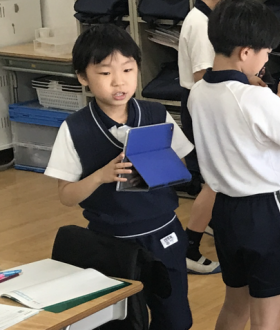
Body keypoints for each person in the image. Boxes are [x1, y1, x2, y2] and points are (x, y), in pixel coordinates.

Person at [188, 0, 280, 330]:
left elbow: (241, 129)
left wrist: (276, 105)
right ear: (245, 52)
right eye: (265, 51)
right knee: (268, 317)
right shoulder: (255, 97)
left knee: (235, 306)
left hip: (225, 211)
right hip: (266, 213)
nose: (266, 59)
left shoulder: (197, 92)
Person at [45, 25, 194, 330]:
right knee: (122, 321)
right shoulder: (75, 128)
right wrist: (100, 176)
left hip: (163, 232)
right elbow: (66, 195)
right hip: (111, 242)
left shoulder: (155, 114)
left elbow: (181, 164)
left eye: (128, 69)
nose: (119, 81)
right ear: (83, 77)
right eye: (104, 73)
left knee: (176, 319)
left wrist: (154, 164)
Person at [178, 0, 257, 274]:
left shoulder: (207, 19)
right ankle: (189, 246)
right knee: (214, 180)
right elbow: (203, 76)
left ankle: (208, 222)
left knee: (215, 181)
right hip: (203, 107)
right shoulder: (201, 24)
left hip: (208, 103)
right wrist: (243, 81)